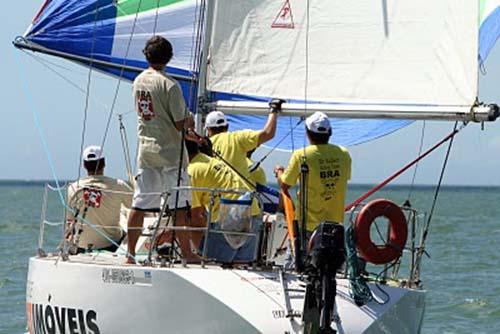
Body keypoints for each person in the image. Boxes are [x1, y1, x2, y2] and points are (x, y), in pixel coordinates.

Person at [127, 35, 198, 263]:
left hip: (146, 153)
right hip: (169, 154)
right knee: (178, 206)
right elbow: (179, 123)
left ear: (147, 55)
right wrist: (190, 121)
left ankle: (129, 254)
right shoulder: (170, 85)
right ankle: (188, 254)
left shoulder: (138, 81)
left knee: (140, 204)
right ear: (169, 57)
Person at [275, 112, 351, 235]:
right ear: (330, 132)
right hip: (335, 227)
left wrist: (279, 172)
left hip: (307, 227)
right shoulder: (344, 154)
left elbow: (284, 184)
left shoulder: (301, 155)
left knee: (301, 254)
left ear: (308, 133)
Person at [185, 140, 261, 263]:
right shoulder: (212, 162)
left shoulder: (191, 171)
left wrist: (192, 251)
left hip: (229, 219)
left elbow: (196, 218)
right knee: (242, 271)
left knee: (213, 268)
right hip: (253, 213)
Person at [66, 145, 132, 253]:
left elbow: (70, 220)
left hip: (81, 246)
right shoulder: (119, 186)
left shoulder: (73, 188)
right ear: (104, 163)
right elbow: (137, 208)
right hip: (111, 245)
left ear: (84, 165)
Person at [205, 99, 283, 183]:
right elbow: (268, 133)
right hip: (238, 194)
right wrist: (273, 110)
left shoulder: (202, 146)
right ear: (227, 126)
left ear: (208, 129)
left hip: (213, 193)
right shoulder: (237, 137)